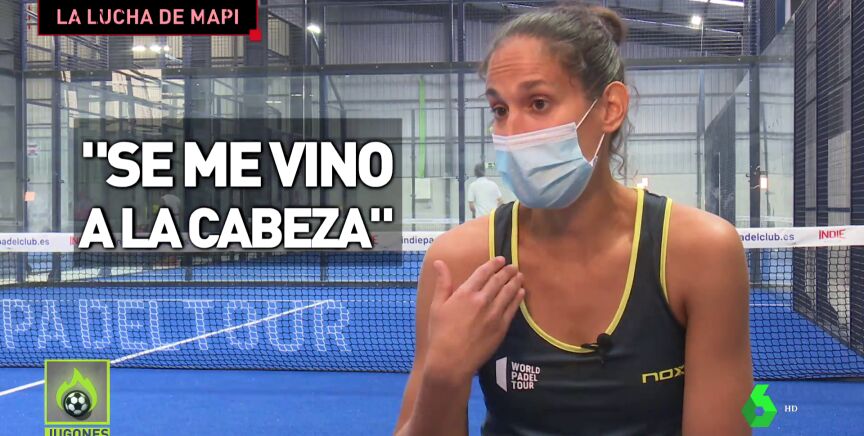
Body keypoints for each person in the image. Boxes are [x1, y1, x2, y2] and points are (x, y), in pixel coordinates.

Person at [395, 4, 753, 435]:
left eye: (538, 103)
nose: (512, 132)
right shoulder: (459, 261)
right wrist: (443, 375)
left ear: (610, 108)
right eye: (500, 109)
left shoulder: (702, 253)